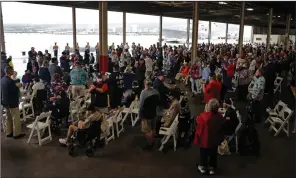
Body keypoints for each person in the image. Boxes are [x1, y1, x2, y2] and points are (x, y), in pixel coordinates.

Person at [193, 98, 225, 175]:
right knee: (213, 153)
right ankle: (212, 168)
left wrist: (205, 112)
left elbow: (197, 123)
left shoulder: (203, 116)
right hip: (215, 139)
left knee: (203, 153)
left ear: (209, 107)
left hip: (205, 139)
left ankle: (203, 167)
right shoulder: (220, 116)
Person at [1, 66, 26, 139]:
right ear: (10, 72)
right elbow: (13, 91)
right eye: (13, 70)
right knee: (16, 118)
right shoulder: (11, 81)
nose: (13, 71)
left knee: (8, 117)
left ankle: (8, 132)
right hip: (12, 102)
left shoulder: (2, 80)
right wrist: (17, 86)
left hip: (5, 101)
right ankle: (16, 134)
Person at [138, 79, 160, 150]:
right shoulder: (156, 91)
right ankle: (153, 140)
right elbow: (158, 102)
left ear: (145, 84)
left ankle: (151, 144)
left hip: (146, 114)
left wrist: (140, 115)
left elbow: (141, 105)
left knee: (147, 130)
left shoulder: (143, 92)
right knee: (153, 128)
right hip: (154, 113)